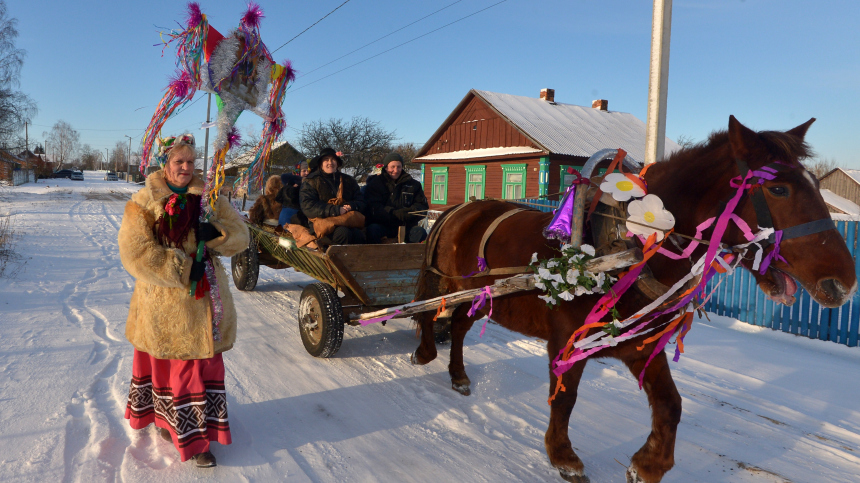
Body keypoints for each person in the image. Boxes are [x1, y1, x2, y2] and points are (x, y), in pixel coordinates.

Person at [117, 133, 249, 468]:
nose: (187, 168)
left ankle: (193, 434)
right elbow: (135, 253)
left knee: (199, 365)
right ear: (165, 164)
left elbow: (241, 236)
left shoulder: (210, 198)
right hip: (164, 303)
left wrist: (216, 233)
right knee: (172, 365)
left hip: (207, 302)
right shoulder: (144, 202)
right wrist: (181, 268)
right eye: (180, 162)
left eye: (191, 162)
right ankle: (181, 432)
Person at [300, 148, 366, 245]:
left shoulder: (348, 180)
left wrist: (351, 205)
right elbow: (308, 206)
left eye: (333, 160)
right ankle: (334, 258)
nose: (330, 163)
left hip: (346, 221)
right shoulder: (311, 181)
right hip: (322, 225)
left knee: (359, 235)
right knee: (343, 233)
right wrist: (335, 210)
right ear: (321, 164)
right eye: (326, 160)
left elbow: (361, 201)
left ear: (337, 163)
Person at [365, 152, 428, 243]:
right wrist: (393, 213)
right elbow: (373, 207)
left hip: (406, 225)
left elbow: (422, 208)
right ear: (386, 167)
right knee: (372, 230)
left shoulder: (413, 185)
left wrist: (406, 213)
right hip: (383, 225)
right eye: (392, 167)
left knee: (420, 232)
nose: (396, 170)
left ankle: (412, 256)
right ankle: (376, 256)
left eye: (399, 167)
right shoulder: (375, 184)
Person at [276, 160, 308, 227]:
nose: (307, 173)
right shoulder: (290, 186)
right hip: (288, 218)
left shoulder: (308, 184)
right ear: (298, 172)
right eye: (304, 171)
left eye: (308, 170)